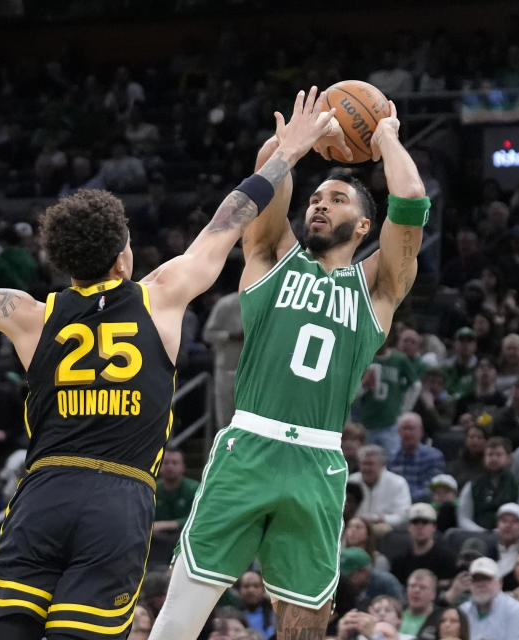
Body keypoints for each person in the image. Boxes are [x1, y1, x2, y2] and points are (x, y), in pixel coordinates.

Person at [0, 86, 337, 640]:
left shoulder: (30, 316)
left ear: (66, 262)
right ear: (124, 254)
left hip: (44, 495)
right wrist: (289, 150)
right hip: (117, 504)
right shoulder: (162, 294)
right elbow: (232, 217)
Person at [147, 89, 429, 639]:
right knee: (175, 623)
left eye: (338, 199)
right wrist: (298, 141)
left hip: (319, 463)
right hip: (248, 447)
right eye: (316, 197)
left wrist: (386, 135)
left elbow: (412, 196)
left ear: (366, 227)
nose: (320, 204)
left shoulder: (377, 288)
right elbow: (264, 173)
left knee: (304, 629)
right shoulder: (270, 257)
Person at [458, 437, 519, 531]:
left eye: (498, 455)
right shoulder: (472, 485)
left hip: (512, 535)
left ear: (509, 458)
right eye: (490, 455)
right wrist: (483, 533)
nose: (494, 459)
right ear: (484, 459)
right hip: (478, 536)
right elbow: (464, 518)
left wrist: (503, 531)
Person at [458, 557, 519, 640]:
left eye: (486, 579)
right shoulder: (463, 610)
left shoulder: (515, 610)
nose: (480, 584)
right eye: (475, 580)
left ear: (500, 582)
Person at [349, 444, 413, 534]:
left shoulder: (398, 482)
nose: (366, 468)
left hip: (385, 531)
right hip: (355, 528)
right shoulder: (351, 481)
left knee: (382, 529)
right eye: (363, 463)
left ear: (382, 465)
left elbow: (403, 518)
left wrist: (378, 518)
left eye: (370, 464)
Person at [152, 446, 200, 565]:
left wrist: (165, 525)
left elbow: (199, 518)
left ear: (183, 466)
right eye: (166, 463)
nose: (170, 466)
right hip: (157, 539)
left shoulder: (195, 488)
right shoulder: (152, 489)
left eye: (175, 463)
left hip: (185, 536)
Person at [203, 291, 243, 430]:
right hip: (226, 368)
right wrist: (230, 336)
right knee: (226, 415)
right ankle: (224, 450)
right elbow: (208, 334)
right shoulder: (226, 303)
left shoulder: (265, 300)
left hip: (254, 370)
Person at [390, 503, 457, 584]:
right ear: (409, 527)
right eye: (415, 522)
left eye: (425, 522)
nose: (419, 527)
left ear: (434, 527)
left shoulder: (447, 559)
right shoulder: (399, 561)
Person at [388, 412, 445, 502]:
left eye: (411, 428)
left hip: (423, 505)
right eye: (404, 428)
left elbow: (433, 488)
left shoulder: (434, 456)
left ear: (421, 431)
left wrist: (406, 499)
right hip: (396, 504)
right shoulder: (391, 457)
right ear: (398, 432)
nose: (407, 433)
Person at [488, 503, 519, 591]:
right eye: (504, 521)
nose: (508, 525)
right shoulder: (485, 547)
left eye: (514, 521)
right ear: (497, 525)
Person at [235, 570, 275, 639]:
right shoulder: (232, 616)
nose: (251, 590)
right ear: (239, 591)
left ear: (264, 590)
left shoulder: (276, 614)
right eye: (246, 586)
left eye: (256, 586)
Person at [400, 569, 439, 637]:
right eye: (412, 586)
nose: (416, 590)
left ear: (433, 594)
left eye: (422, 587)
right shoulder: (394, 613)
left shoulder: (441, 620)